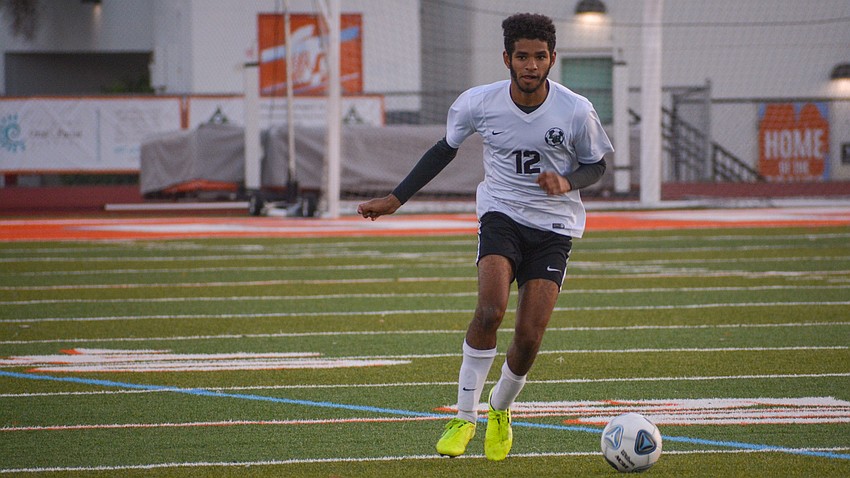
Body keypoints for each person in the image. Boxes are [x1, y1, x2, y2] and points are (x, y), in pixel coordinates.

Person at [357, 12, 613, 461]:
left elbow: (596, 164)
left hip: (553, 229)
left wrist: (567, 181)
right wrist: (397, 198)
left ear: (553, 59)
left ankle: (500, 408)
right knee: (490, 308)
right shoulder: (479, 103)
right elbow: (444, 149)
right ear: (506, 59)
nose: (530, 66)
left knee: (530, 336)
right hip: (501, 215)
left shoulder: (575, 110)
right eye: (521, 57)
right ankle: (464, 415)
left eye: (539, 57)